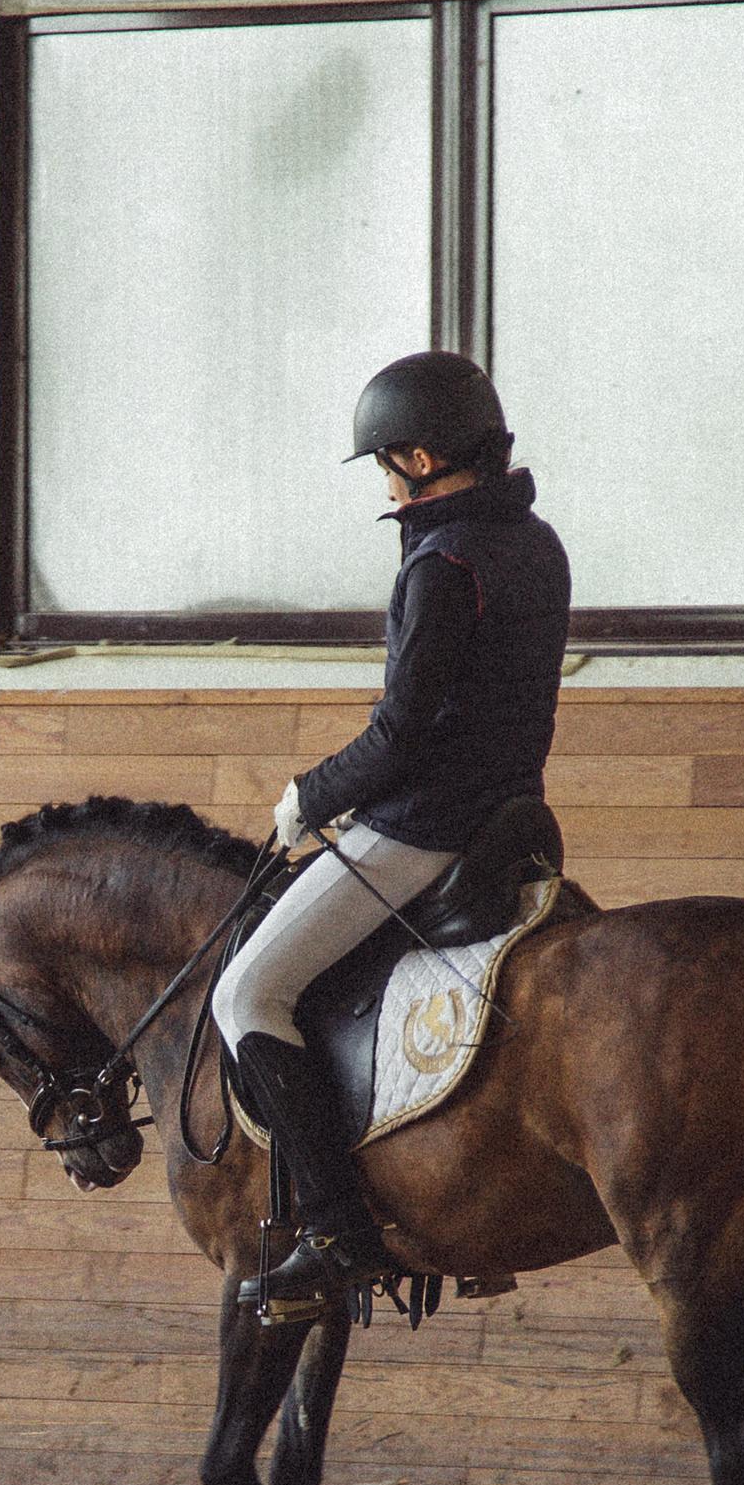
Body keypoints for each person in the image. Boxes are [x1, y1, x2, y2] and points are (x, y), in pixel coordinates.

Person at [213, 350, 572, 1316]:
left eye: (384, 463)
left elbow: (403, 732)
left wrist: (310, 795)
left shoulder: (443, 562)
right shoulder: (536, 541)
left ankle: (337, 1231)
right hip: (513, 823)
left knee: (249, 991)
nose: (382, 481)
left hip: (422, 829)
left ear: (418, 457)